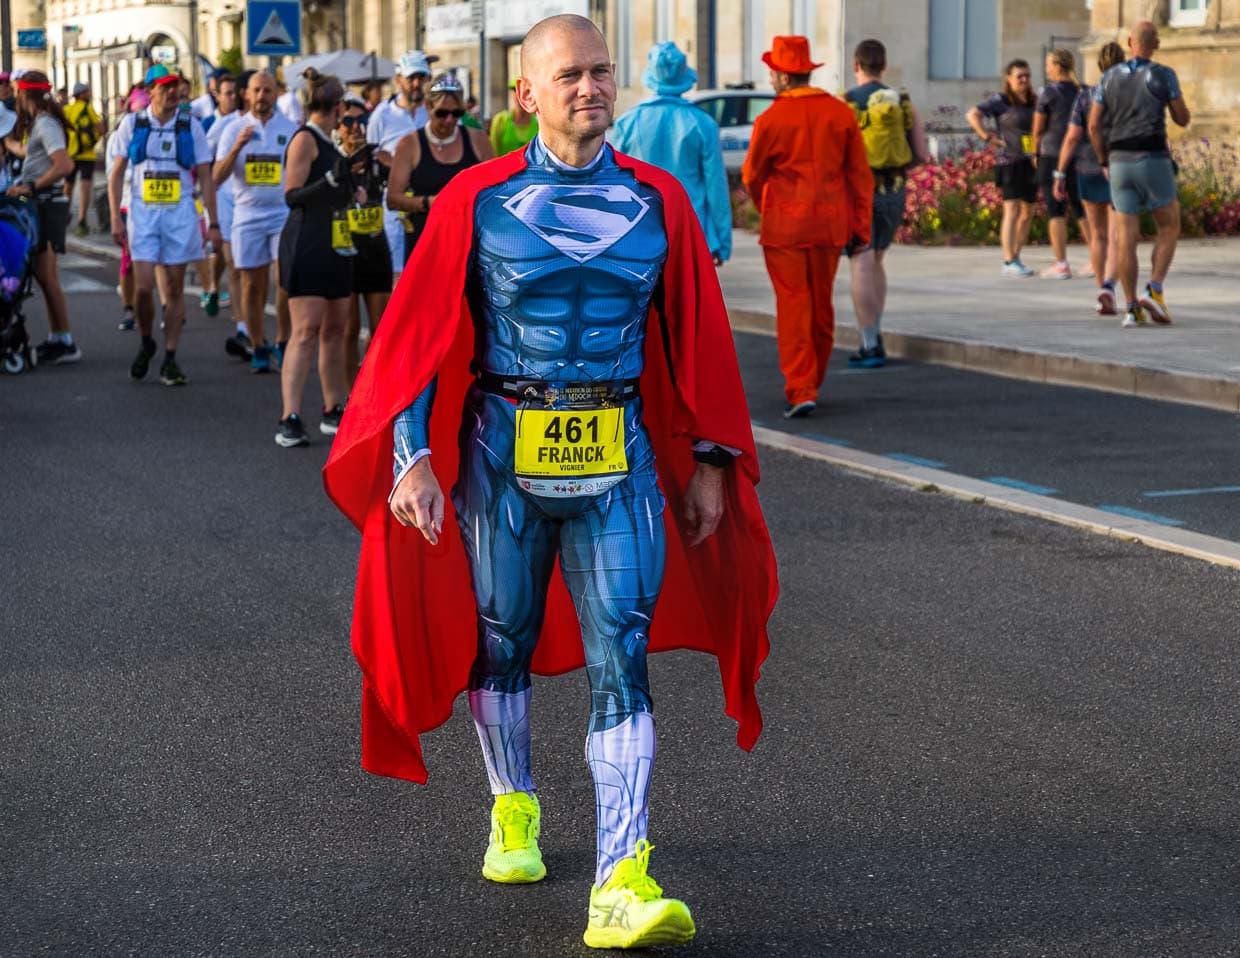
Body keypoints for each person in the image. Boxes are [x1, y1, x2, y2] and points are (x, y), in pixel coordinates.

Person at [323, 14, 776, 950]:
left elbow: (696, 340)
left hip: (619, 453)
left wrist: (712, 462)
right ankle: (513, 806)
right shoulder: (476, 202)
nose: (591, 87)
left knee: (625, 650)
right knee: (503, 645)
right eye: (569, 74)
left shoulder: (658, 203)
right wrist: (410, 456)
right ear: (525, 93)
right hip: (502, 451)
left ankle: (621, 877)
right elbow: (419, 336)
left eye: (602, 71)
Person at [742, 35, 872, 418]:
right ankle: (812, 378)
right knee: (820, 304)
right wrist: (860, 225)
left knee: (793, 305)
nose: (770, 79)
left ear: (783, 77)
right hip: (830, 224)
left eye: (772, 72)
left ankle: (801, 387)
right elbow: (860, 177)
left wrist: (764, 201)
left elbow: (751, 175)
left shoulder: (770, 119)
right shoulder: (840, 113)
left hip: (785, 225)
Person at [107, 65, 221, 386]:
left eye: (176, 86)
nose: (173, 91)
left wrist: (213, 222)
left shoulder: (191, 126)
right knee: (143, 290)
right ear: (151, 91)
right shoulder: (132, 124)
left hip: (180, 213)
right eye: (165, 86)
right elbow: (116, 174)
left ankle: (170, 357)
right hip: (143, 215)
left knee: (173, 288)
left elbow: (207, 176)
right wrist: (116, 216)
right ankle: (146, 341)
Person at [1089, 20, 1190, 328]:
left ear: (1130, 42)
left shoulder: (1107, 77)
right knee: (1169, 224)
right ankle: (1155, 288)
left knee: (1125, 238)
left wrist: (1103, 159)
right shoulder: (1162, 75)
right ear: (1156, 44)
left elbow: (1094, 125)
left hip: (1118, 161)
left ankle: (1131, 306)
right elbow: (1182, 118)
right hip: (1152, 157)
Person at [275, 69, 355, 447]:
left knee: (336, 328)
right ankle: (289, 416)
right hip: (306, 240)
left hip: (336, 238)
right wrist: (330, 184)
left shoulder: (333, 140)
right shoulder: (306, 139)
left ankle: (332, 407)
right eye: (344, 107)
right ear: (337, 106)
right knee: (305, 329)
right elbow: (292, 194)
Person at [841, 38, 928, 368]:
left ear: (856, 66)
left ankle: (869, 342)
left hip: (860, 193)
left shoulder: (846, 102)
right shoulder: (902, 100)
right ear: (884, 66)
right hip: (894, 191)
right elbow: (920, 153)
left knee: (860, 261)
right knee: (877, 260)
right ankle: (877, 331)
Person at [611, 41, 731, 265]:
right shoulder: (703, 123)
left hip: (640, 231)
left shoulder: (629, 122)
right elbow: (716, 187)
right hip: (692, 231)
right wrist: (721, 242)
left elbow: (613, 181)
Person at [214, 70, 298, 372]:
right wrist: (237, 146)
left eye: (267, 90)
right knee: (251, 284)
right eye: (256, 90)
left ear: (276, 94)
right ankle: (258, 343)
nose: (262, 96)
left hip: (281, 214)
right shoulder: (233, 128)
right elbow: (216, 176)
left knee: (285, 279)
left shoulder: (289, 129)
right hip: (247, 214)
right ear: (246, 94)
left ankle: (282, 339)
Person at [5, 71, 78, 365]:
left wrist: (31, 185)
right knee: (44, 276)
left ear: (25, 95)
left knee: (47, 276)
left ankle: (65, 341)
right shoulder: (41, 123)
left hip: (47, 205)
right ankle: (58, 337)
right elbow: (30, 153)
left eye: (16, 93)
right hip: (42, 205)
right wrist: (7, 142)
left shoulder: (46, 123)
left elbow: (64, 165)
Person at [385, 73, 491, 262]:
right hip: (425, 241)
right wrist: (431, 203)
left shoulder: (478, 140)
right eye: (442, 113)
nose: (449, 120)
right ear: (428, 106)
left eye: (456, 113)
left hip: (467, 242)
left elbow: (494, 192)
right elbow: (393, 199)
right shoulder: (409, 144)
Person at [1057, 41, 1126, 316]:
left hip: (1086, 166)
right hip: (1117, 165)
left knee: (1096, 235)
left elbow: (1073, 136)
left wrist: (1059, 171)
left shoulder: (1086, 96)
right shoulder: (1126, 94)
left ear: (1099, 65)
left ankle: (1101, 289)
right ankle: (1109, 287)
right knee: (1117, 235)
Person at [337, 94, 391, 383]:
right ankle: (348, 396)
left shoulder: (377, 159)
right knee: (348, 329)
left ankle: (370, 390)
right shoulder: (333, 160)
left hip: (375, 249)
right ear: (339, 125)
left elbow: (400, 185)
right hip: (344, 251)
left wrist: (391, 165)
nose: (356, 127)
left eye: (362, 121)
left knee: (380, 330)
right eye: (348, 121)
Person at [366, 50, 433, 280]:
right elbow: (370, 156)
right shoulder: (382, 115)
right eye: (411, 78)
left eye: (421, 78)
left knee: (425, 271)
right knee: (397, 275)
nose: (416, 84)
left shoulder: (432, 113)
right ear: (398, 80)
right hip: (394, 203)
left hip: (426, 203)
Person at [967, 60, 1038, 277]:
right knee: (1012, 208)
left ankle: (1016, 256)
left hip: (1030, 161)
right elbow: (972, 114)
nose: (1024, 80)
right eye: (1019, 76)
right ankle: (1008, 259)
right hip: (1009, 161)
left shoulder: (1034, 101)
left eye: (1027, 75)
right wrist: (986, 136)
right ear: (1009, 79)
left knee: (1028, 211)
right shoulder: (1001, 101)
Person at [209, 69, 253, 358]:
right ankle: (243, 328)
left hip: (257, 206)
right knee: (235, 266)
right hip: (227, 202)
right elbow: (208, 169)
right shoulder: (225, 126)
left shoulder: (279, 126)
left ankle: (252, 322)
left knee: (254, 273)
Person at [1032, 49, 1084, 279]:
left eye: (1048, 64)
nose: (1046, 68)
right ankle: (1097, 258)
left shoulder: (1048, 93)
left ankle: (1061, 263)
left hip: (1052, 153)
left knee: (1056, 210)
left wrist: (1034, 153)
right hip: (1078, 154)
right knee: (1081, 208)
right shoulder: (1082, 91)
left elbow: (1037, 129)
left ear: (1057, 66)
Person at [200, 72, 238, 317]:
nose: (232, 98)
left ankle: (240, 310)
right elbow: (204, 163)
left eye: (235, 93)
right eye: (227, 94)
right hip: (218, 193)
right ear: (218, 96)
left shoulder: (242, 121)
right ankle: (213, 286)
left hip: (240, 195)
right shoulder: (208, 124)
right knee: (223, 250)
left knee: (232, 255)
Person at [62, 82, 104, 236]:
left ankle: (64, 215)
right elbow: (101, 129)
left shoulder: (66, 110)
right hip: (87, 155)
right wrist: (91, 141)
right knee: (85, 187)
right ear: (81, 94)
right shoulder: (89, 109)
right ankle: (82, 220)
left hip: (70, 154)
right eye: (87, 91)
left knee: (68, 186)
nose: (89, 93)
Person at [488, 78, 539, 156]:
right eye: (515, 91)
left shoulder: (538, 123)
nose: (520, 95)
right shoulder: (501, 120)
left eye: (526, 91)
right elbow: (492, 152)